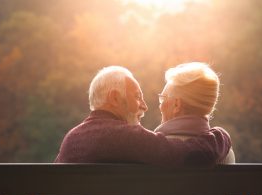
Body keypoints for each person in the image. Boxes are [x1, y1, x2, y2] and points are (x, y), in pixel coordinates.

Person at [54, 66, 232, 166]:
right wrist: (221, 136)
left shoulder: (72, 138)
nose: (145, 106)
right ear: (115, 98)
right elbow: (192, 154)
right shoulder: (125, 137)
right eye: (137, 96)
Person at [155, 62, 235, 163]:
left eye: (163, 98)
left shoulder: (158, 149)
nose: (160, 106)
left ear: (176, 105)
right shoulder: (226, 153)